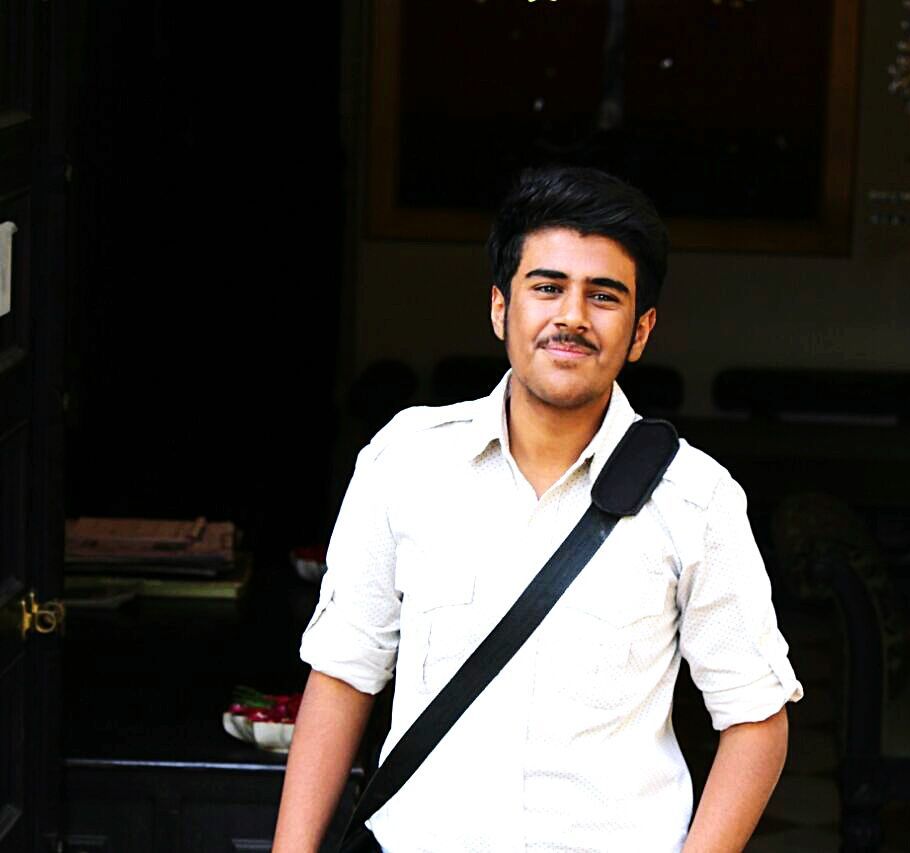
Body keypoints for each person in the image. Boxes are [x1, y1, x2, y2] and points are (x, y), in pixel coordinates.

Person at [273, 166, 803, 852]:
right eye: (547, 287)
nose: (572, 316)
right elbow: (343, 672)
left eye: (603, 296)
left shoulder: (695, 500)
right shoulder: (404, 464)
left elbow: (757, 717)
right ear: (501, 308)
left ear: (641, 331)